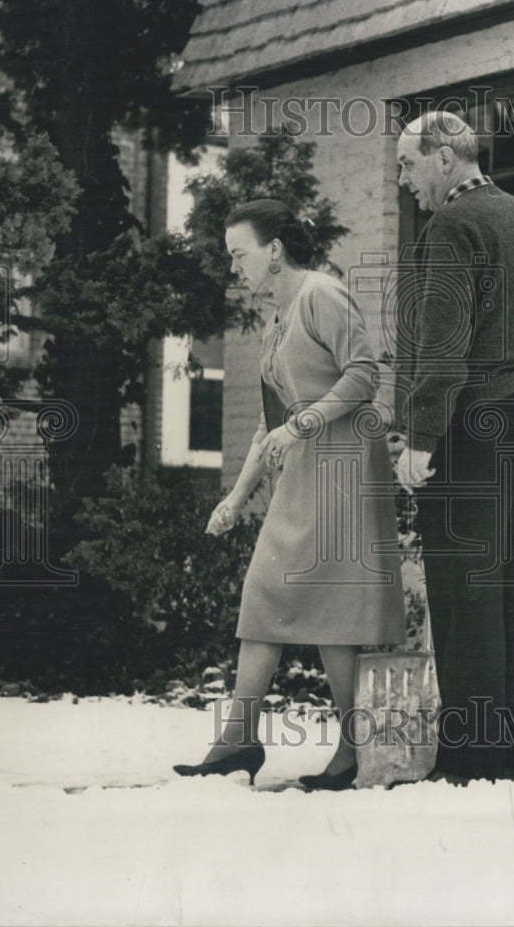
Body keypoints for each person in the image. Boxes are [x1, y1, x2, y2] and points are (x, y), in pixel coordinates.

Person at [173, 198, 406, 790]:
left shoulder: (320, 295)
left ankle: (354, 754)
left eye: (239, 254)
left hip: (346, 466)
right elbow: (267, 422)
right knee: (265, 593)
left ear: (274, 251)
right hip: (304, 470)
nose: (234, 268)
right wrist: (236, 496)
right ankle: (237, 742)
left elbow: (363, 374)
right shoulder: (275, 321)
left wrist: (300, 426)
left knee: (335, 614)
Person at [394, 111, 514, 783]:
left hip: (477, 424)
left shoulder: (453, 226)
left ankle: (470, 761)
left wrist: (420, 437)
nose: (404, 182)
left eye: (408, 165)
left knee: (464, 587)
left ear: (442, 158)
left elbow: (441, 352)